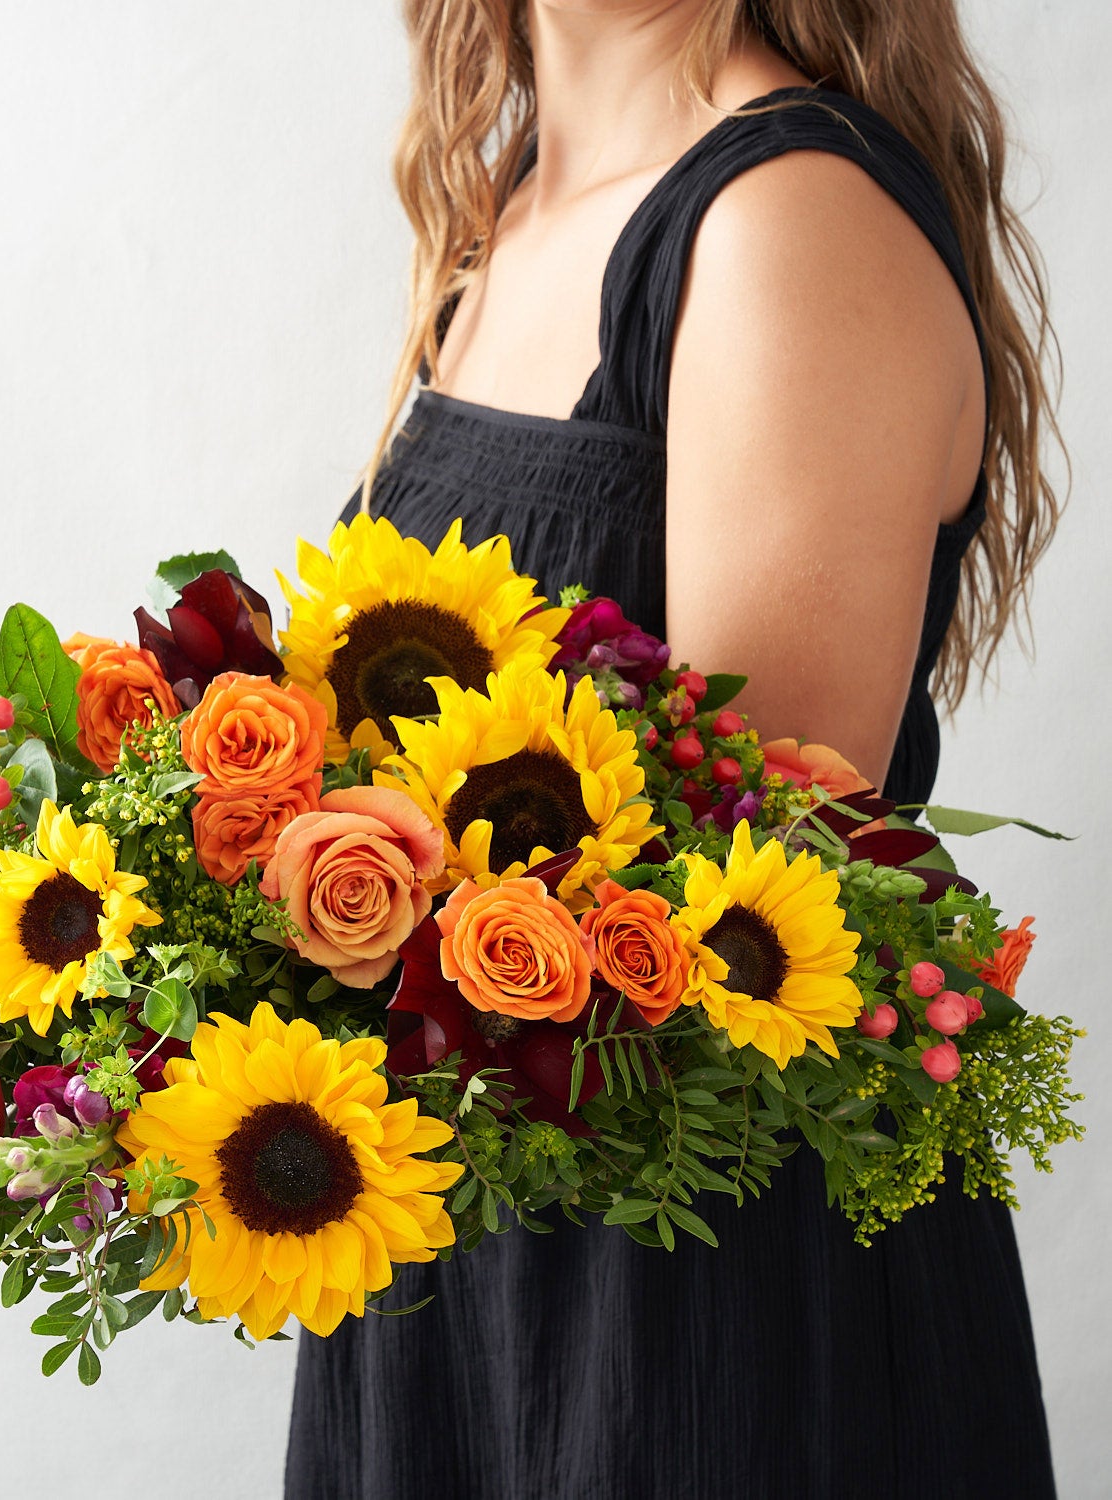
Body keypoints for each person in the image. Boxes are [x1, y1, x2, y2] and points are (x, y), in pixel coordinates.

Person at [283, 3, 1064, 1497]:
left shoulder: (788, 220)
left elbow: (741, 908)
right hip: (472, 1241)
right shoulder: (507, 208)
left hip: (703, 1291)